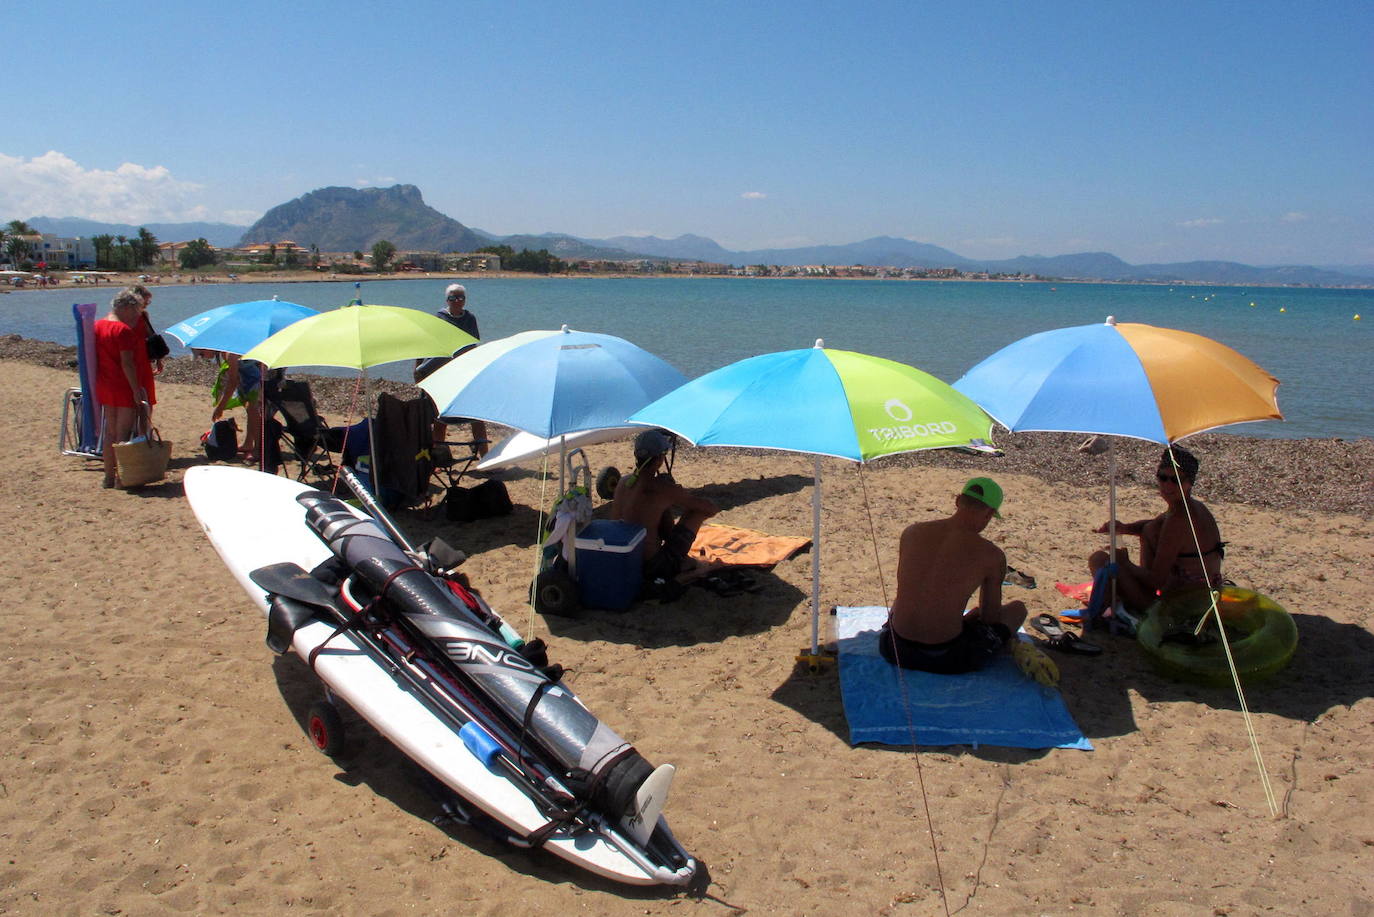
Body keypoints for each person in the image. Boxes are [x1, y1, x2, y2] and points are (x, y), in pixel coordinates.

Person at [880, 477, 1034, 675]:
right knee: (1017, 609)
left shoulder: (912, 532)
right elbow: (990, 618)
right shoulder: (992, 555)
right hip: (945, 657)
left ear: (958, 500)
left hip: (892, 648)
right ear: (989, 513)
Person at [1089, 446, 1224, 613]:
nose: (1167, 485)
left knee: (1099, 560)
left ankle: (1122, 605)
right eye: (1163, 477)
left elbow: (1156, 581)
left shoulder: (1179, 518)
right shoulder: (1189, 507)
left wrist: (1126, 563)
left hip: (1183, 604)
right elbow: (1153, 526)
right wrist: (1123, 528)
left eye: (1175, 480)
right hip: (1204, 592)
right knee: (1150, 530)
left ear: (1189, 484)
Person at [610, 429, 719, 592]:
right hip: (652, 567)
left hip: (621, 558)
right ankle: (686, 565)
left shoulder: (623, 482)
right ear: (661, 458)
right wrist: (677, 494)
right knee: (696, 512)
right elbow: (710, 509)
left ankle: (683, 562)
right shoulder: (662, 488)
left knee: (657, 515)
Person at [414, 283, 488, 456]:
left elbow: (472, 345)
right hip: (442, 373)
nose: (457, 301)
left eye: (461, 297)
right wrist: (418, 370)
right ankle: (438, 457)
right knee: (441, 417)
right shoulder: (439, 318)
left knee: (476, 416)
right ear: (447, 300)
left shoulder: (470, 318)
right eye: (453, 297)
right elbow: (425, 346)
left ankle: (485, 457)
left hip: (464, 372)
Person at [94, 290, 151, 489]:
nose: (137, 316)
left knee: (110, 432)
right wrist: (136, 389)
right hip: (123, 385)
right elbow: (128, 363)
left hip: (105, 383)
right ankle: (121, 477)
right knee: (122, 433)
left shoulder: (98, 325)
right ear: (125, 308)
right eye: (135, 311)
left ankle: (108, 476)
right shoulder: (122, 330)